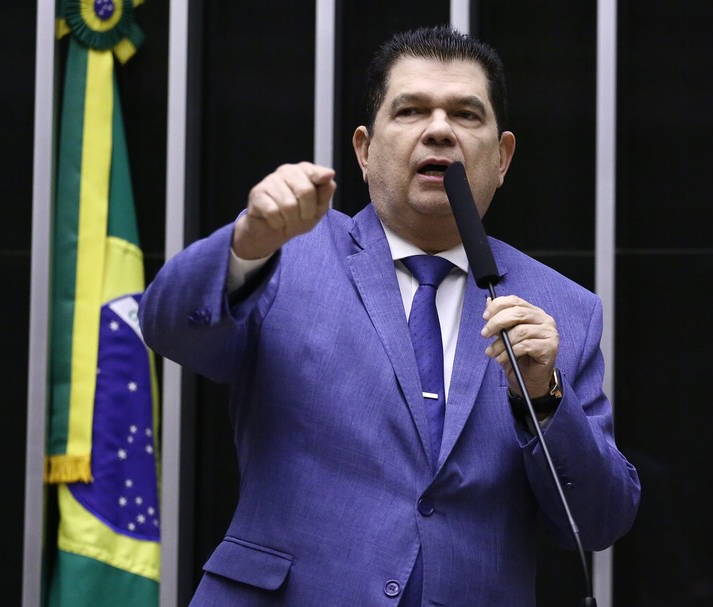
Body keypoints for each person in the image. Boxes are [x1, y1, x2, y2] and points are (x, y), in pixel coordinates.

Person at [141, 25, 640, 607]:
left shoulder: (564, 310)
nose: (438, 129)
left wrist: (545, 398)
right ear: (364, 149)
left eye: (465, 114)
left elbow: (601, 519)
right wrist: (246, 243)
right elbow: (169, 327)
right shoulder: (286, 251)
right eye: (409, 111)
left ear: (502, 157)